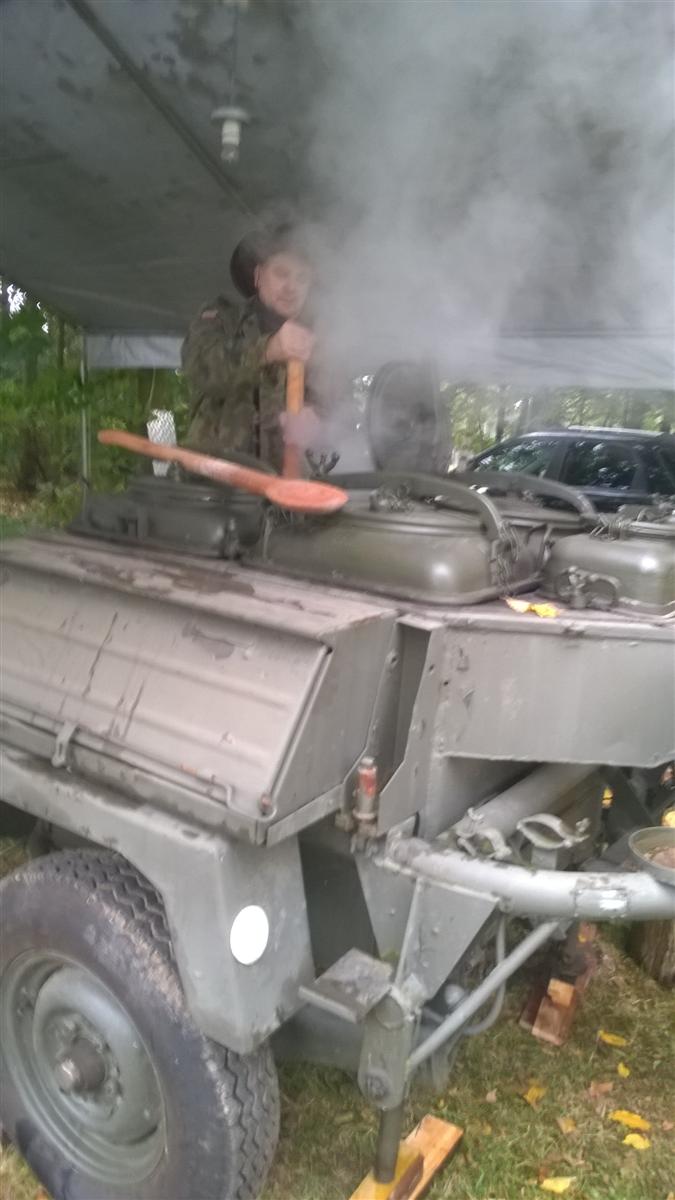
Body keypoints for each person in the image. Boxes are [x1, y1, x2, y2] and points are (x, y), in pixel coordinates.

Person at [182, 223, 320, 473]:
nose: (291, 287)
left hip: (285, 485)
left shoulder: (317, 341)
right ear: (258, 276)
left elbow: (338, 405)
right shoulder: (223, 318)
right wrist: (268, 349)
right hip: (215, 482)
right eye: (281, 273)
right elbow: (202, 369)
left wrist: (318, 422)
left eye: (302, 278)